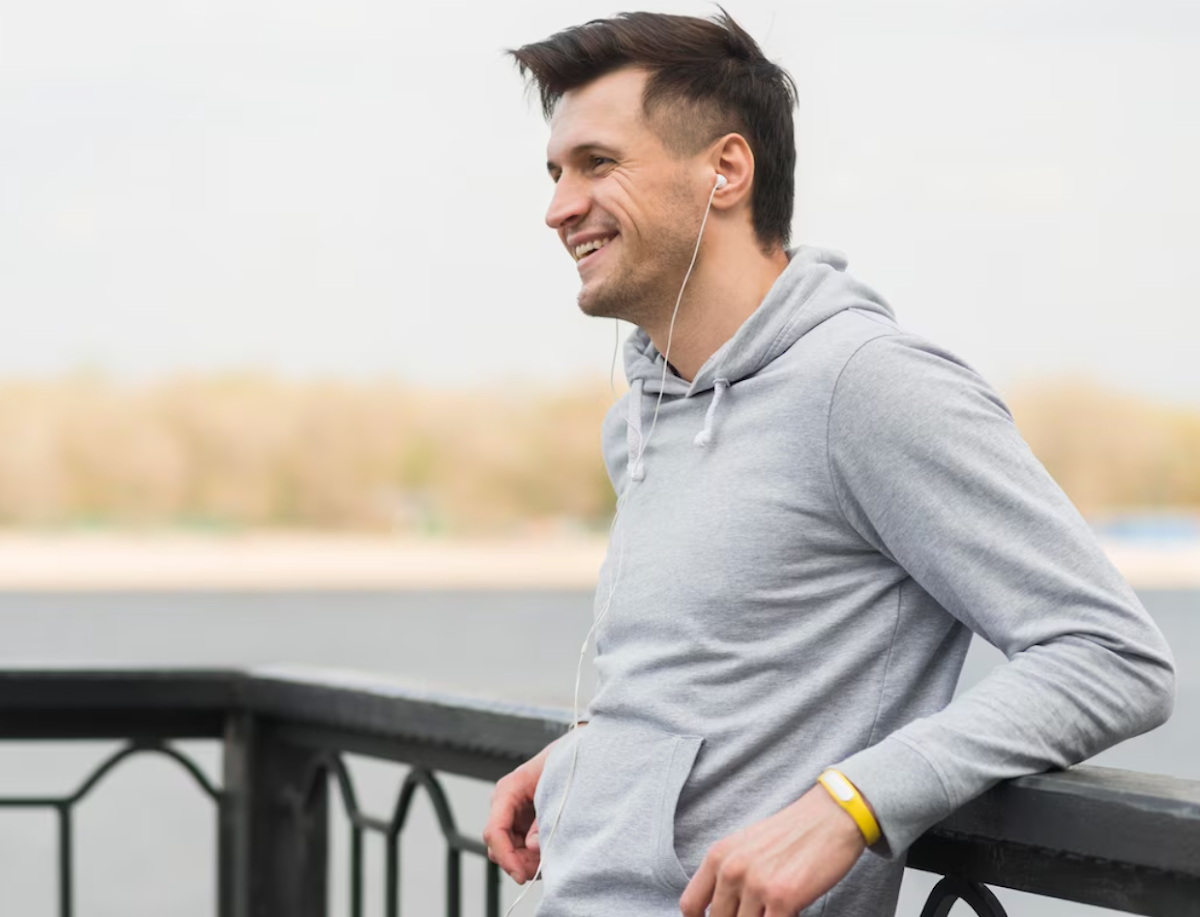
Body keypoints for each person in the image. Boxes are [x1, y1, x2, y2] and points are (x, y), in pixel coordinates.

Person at [479, 9, 1177, 917]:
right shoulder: (642, 418)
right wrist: (596, 758)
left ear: (726, 170)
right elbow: (726, 667)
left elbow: (1112, 655)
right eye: (555, 171)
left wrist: (854, 801)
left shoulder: (868, 386)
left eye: (597, 164)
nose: (558, 205)